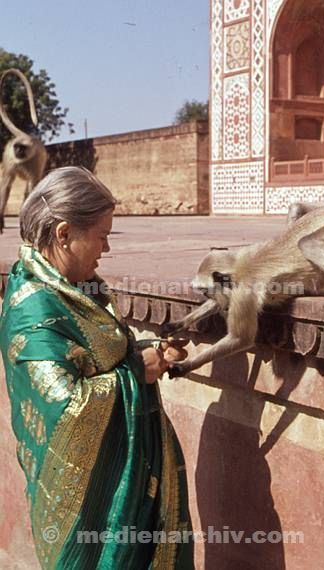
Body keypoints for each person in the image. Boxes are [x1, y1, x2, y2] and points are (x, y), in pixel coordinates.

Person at [0, 166, 194, 569]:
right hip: (85, 510)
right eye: (102, 236)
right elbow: (66, 406)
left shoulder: (68, 287)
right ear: (64, 234)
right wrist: (136, 372)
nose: (106, 249)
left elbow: (96, 359)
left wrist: (148, 353)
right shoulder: (34, 308)